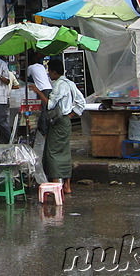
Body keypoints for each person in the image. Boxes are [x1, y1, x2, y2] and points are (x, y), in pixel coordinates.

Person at [41, 59, 84, 195]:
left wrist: (38, 92)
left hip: (59, 123)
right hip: (66, 122)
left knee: (52, 152)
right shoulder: (70, 84)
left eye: (49, 72)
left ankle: (55, 185)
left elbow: (50, 104)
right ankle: (67, 185)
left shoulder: (59, 85)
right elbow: (81, 103)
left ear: (54, 72)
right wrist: (69, 116)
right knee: (65, 152)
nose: (49, 75)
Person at [27, 53, 53, 135]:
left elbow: (26, 76)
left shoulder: (30, 67)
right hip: (49, 87)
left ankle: (42, 130)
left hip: (42, 90)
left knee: (42, 111)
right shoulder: (41, 66)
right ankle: (48, 128)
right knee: (48, 109)